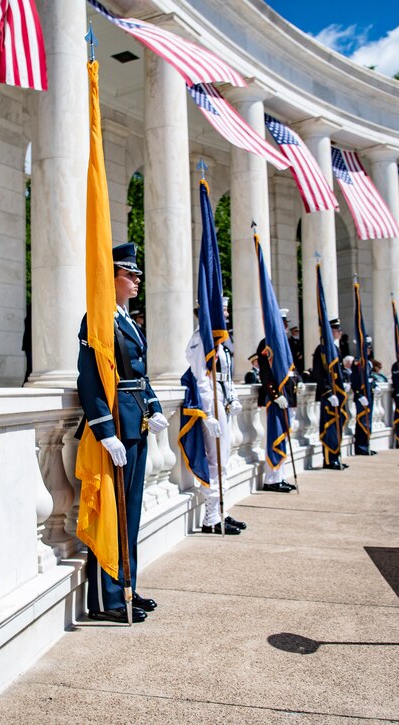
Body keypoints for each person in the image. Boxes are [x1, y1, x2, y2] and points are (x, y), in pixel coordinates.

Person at [77, 242, 166, 623]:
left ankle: (127, 584)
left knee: (129, 511)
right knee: (111, 512)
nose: (137, 280)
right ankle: (106, 597)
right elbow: (91, 377)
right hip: (117, 425)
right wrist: (105, 431)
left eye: (136, 275)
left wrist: (156, 407)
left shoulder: (125, 320)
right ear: (111, 277)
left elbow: (139, 374)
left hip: (137, 421)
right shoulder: (97, 319)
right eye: (130, 274)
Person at [183, 299, 245, 535]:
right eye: (223, 309)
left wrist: (234, 397)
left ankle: (221, 511)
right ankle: (210, 517)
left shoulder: (221, 342)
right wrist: (208, 412)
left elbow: (226, 376)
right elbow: (201, 378)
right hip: (211, 401)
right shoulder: (202, 339)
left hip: (223, 399)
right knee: (215, 460)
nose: (227, 313)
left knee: (224, 459)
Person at [255, 332, 297, 492]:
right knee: (274, 438)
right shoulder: (267, 343)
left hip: (287, 398)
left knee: (283, 440)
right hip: (276, 400)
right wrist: (275, 395)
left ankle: (279, 476)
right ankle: (271, 479)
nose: (284, 327)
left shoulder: (282, 341)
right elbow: (265, 372)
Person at [311, 318, 348, 470]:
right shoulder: (322, 349)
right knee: (330, 427)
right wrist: (327, 391)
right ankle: (329, 459)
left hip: (336, 394)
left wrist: (343, 382)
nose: (340, 332)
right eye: (338, 330)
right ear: (331, 331)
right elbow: (319, 374)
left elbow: (338, 372)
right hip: (328, 396)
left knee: (337, 427)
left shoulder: (334, 349)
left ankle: (336, 456)